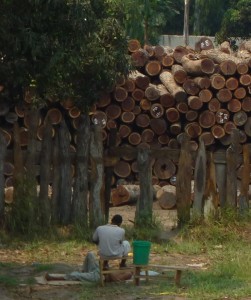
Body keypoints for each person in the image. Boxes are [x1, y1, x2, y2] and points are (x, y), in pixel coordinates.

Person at [45, 251, 132, 283]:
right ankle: (85, 273)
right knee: (90, 254)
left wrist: (107, 269)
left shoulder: (128, 274)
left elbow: (115, 279)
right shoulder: (125, 268)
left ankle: (54, 278)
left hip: (100, 277)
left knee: (76, 275)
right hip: (99, 270)